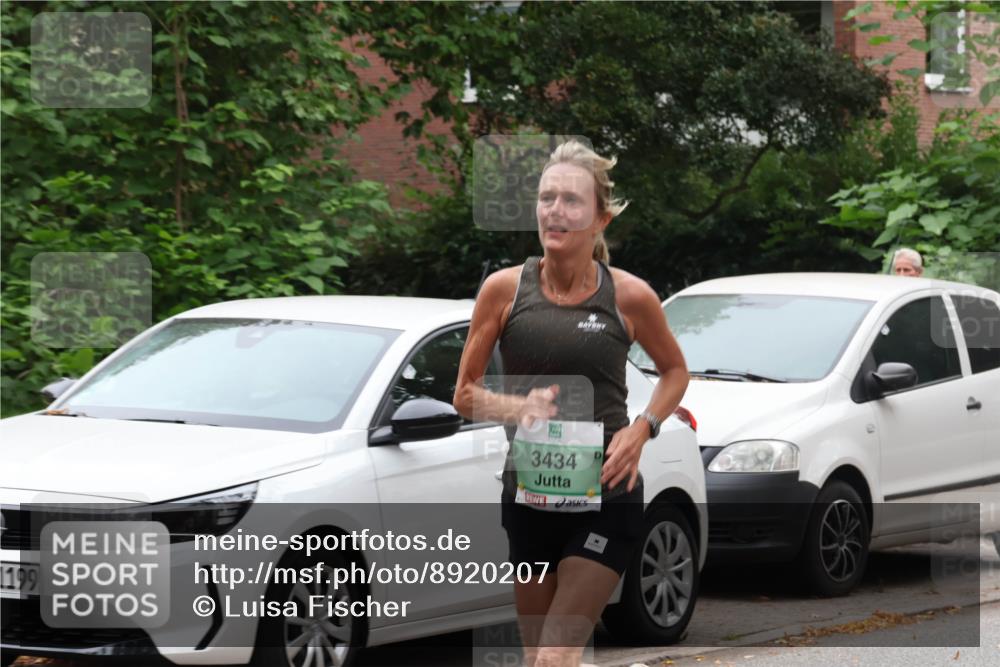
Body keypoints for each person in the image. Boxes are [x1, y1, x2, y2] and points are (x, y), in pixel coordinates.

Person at [453, 140, 689, 667]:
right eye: (546, 198)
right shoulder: (503, 291)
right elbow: (464, 394)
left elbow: (675, 371)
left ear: (599, 219)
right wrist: (516, 409)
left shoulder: (629, 296)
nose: (555, 210)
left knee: (554, 655)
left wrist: (643, 427)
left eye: (571, 201)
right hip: (530, 499)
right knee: (542, 657)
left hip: (606, 495)